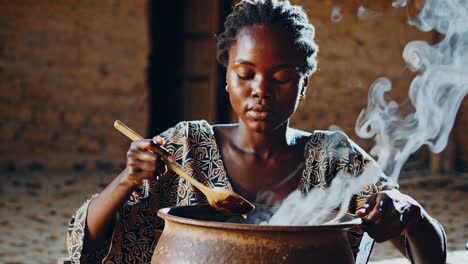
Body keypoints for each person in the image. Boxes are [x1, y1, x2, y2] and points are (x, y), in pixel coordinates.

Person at [67, 0, 447, 263]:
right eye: (245, 74)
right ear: (227, 79)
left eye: (281, 77)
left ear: (303, 85)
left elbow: (433, 253)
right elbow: (84, 247)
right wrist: (127, 180)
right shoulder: (185, 148)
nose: (260, 90)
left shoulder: (335, 160)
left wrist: (409, 212)